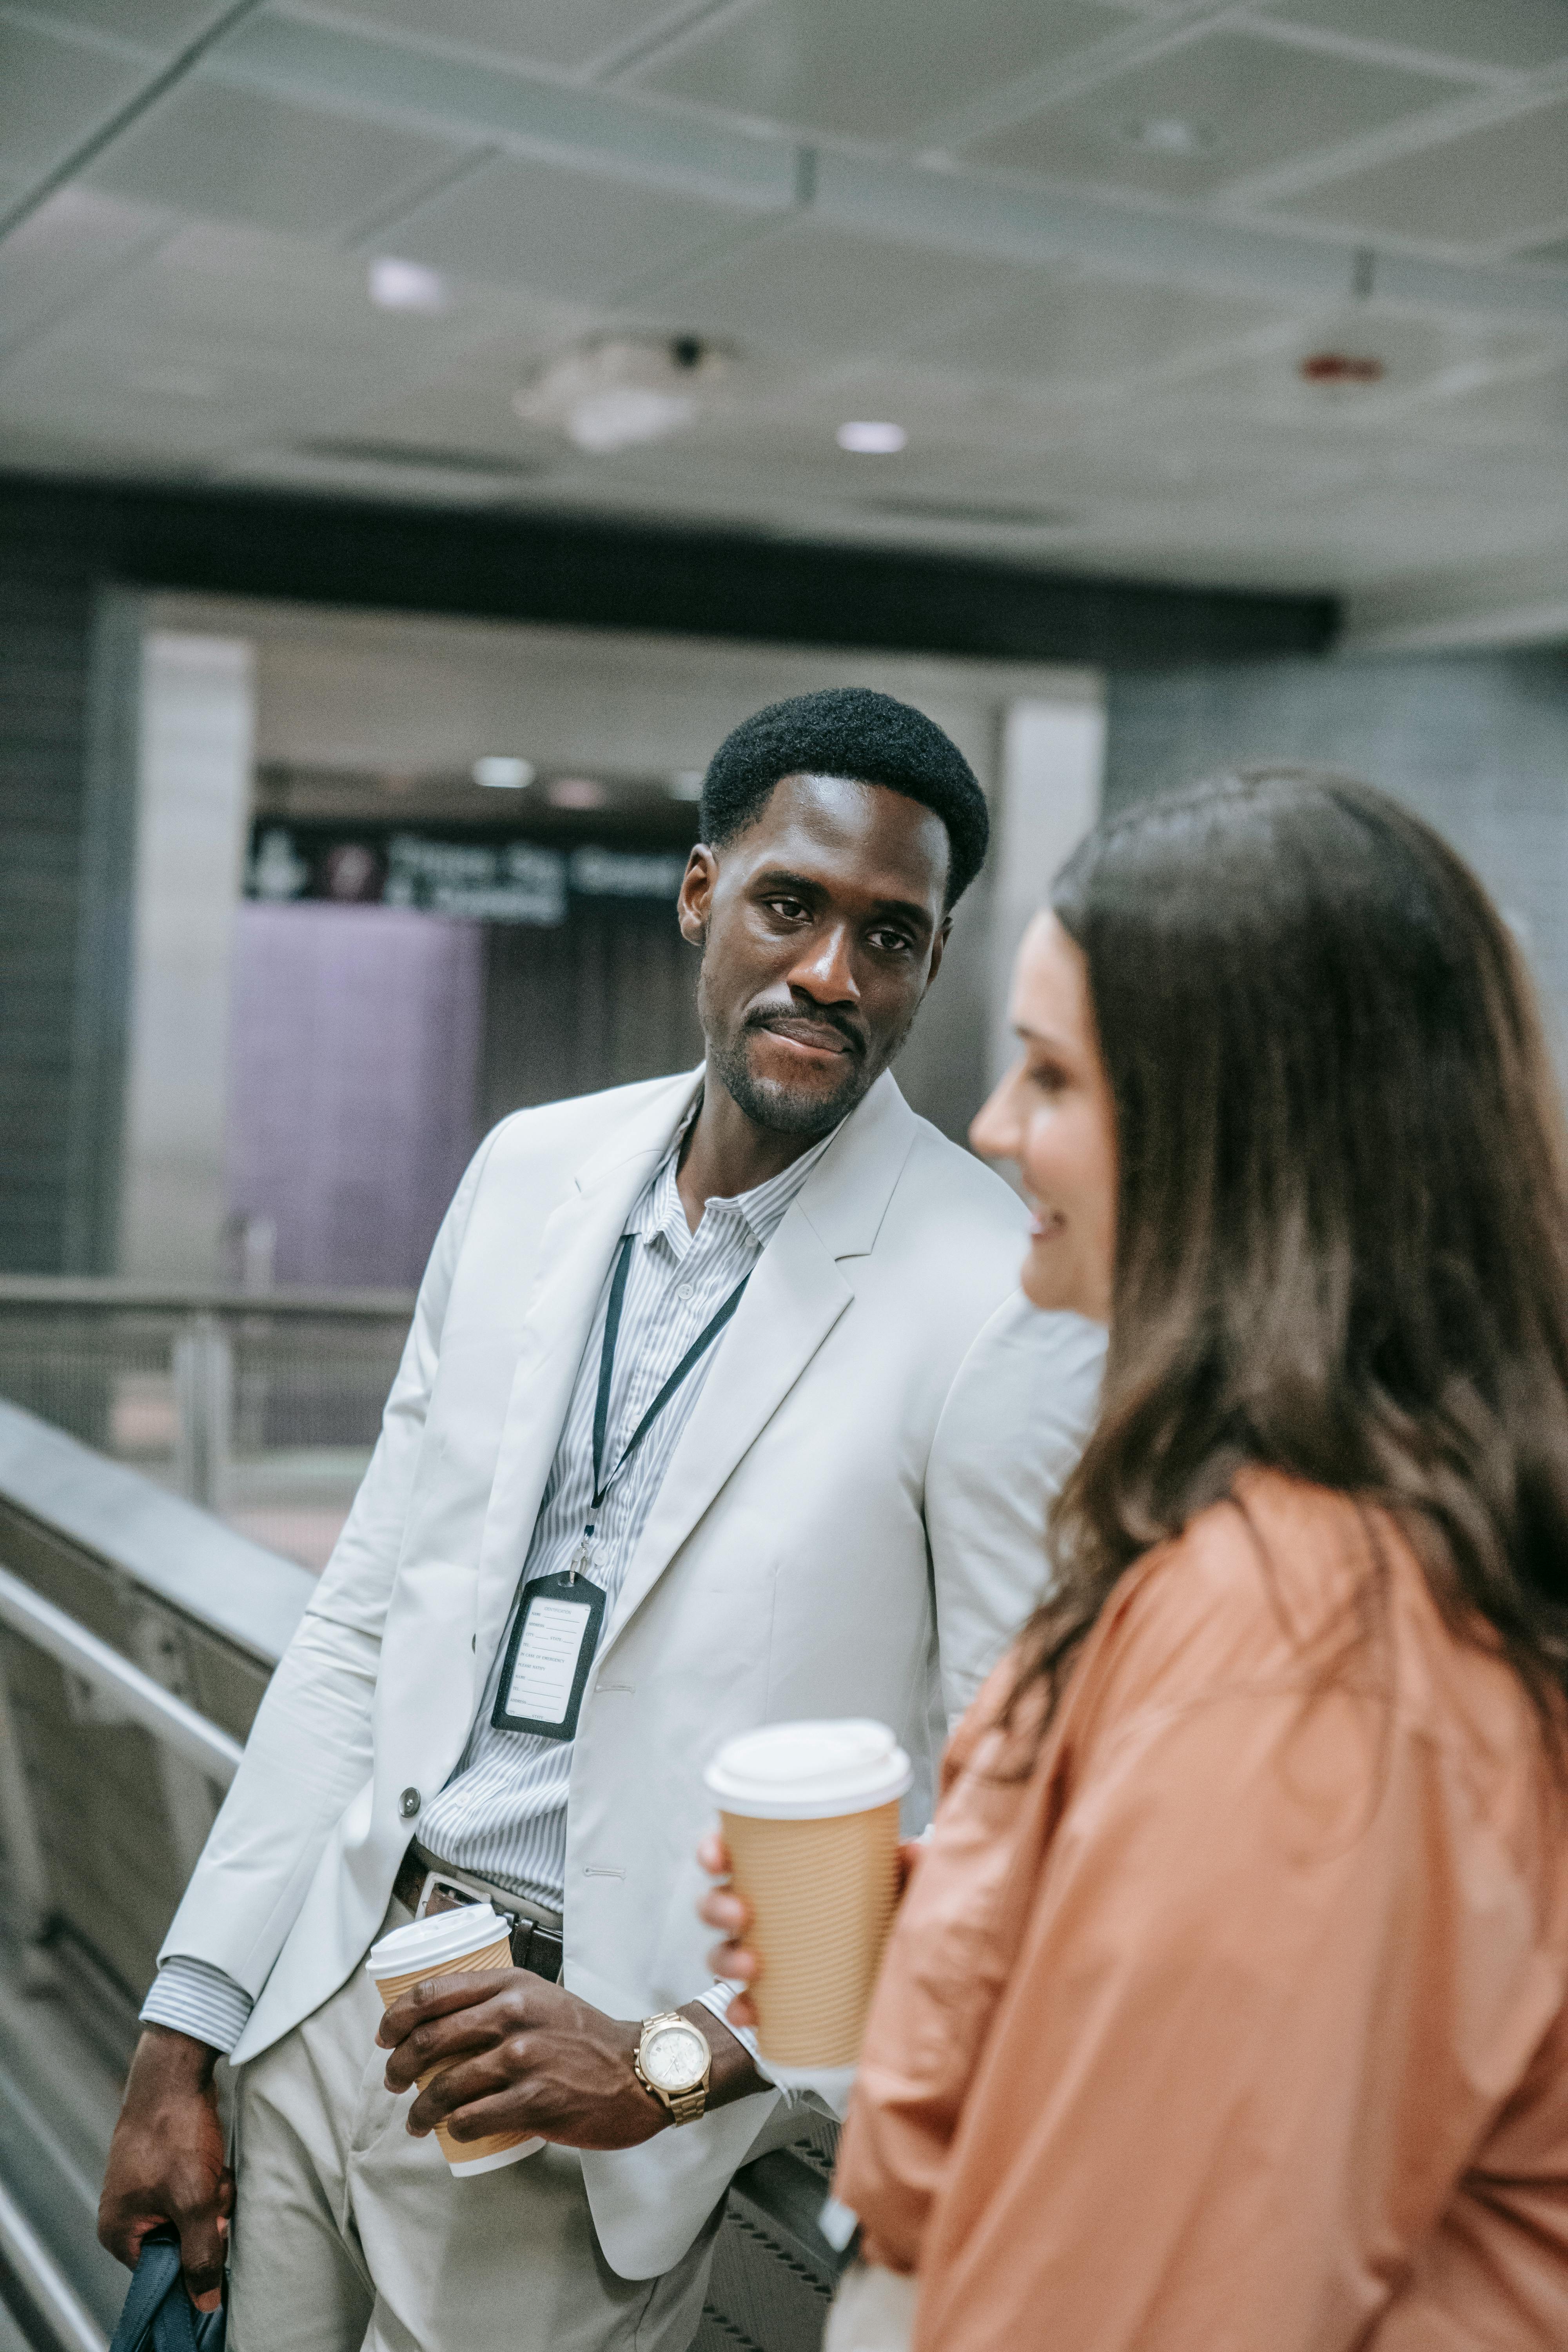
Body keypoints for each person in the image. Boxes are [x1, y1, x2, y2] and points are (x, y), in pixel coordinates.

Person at [97, 685, 1105, 2352]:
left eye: (892, 938)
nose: (833, 976)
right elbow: (362, 1617)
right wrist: (185, 2021)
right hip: (330, 1995)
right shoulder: (528, 1172)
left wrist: (678, 2059)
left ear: (934, 964)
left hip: (585, 2106)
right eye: (793, 905)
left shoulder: (994, 1293)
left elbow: (1003, 1801)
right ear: (703, 891)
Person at [705, 766, 1568, 2350]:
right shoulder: (1281, 1544)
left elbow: (1143, 2289)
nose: (990, 1127)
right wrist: (959, 1920)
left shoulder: (1302, 1656)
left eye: (1049, 1077)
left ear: (1241, 1139)